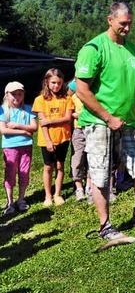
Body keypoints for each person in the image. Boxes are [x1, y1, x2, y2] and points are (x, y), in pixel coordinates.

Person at [75, 2, 135, 241]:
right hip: (99, 122)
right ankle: (105, 226)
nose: (127, 28)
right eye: (123, 23)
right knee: (100, 174)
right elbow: (81, 90)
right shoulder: (94, 48)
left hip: (131, 121)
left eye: (130, 23)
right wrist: (108, 118)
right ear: (110, 20)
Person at [32, 68, 74, 207]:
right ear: (47, 82)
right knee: (48, 167)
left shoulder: (67, 99)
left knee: (60, 165)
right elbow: (42, 123)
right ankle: (48, 195)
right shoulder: (40, 100)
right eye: (53, 83)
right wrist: (49, 141)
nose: (56, 86)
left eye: (59, 83)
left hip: (63, 137)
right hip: (47, 139)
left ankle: (57, 194)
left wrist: (50, 121)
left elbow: (67, 118)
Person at [0, 82, 37, 214]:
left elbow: (34, 127)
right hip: (10, 147)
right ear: (7, 95)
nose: (17, 96)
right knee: (10, 173)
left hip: (26, 146)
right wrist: (24, 132)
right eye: (13, 94)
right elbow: (3, 130)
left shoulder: (28, 109)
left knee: (24, 171)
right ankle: (10, 202)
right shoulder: (3, 110)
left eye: (20, 93)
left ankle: (21, 199)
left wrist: (17, 126)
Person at [67, 80, 92, 201]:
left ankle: (89, 186)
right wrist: (74, 115)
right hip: (79, 129)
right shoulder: (73, 92)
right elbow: (68, 110)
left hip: (93, 128)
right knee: (78, 157)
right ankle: (78, 187)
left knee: (92, 157)